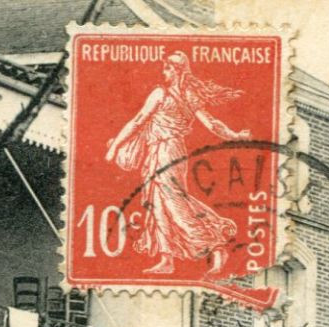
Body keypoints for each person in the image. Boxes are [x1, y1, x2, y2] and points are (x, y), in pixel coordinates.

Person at [104, 52, 250, 275]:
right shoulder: (188, 95)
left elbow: (137, 121)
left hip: (166, 151)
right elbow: (211, 123)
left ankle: (215, 244)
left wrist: (115, 147)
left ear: (175, 70)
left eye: (167, 69)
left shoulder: (161, 94)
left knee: (173, 202)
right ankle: (167, 259)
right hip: (168, 151)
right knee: (159, 202)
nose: (164, 73)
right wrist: (235, 135)